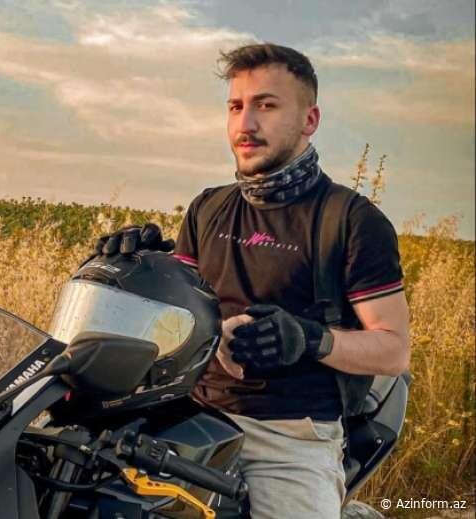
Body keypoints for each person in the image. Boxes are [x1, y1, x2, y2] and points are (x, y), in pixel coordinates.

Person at [95, 43, 410, 518]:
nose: (245, 124)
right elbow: (178, 314)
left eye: (266, 105)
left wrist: (309, 338)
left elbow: (393, 350)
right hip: (189, 415)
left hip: (288, 437)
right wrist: (139, 266)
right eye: (236, 106)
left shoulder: (350, 220)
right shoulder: (209, 207)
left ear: (309, 119)